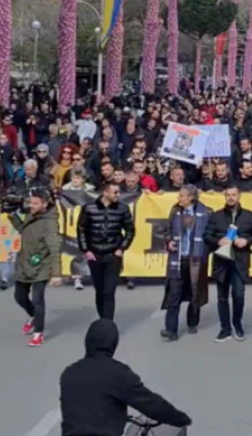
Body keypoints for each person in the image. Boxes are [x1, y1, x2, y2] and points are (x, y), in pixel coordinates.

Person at [60, 319, 191, 436]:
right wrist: (179, 418)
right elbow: (149, 402)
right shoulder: (117, 373)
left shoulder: (68, 373)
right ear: (113, 343)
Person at [205, 185, 252, 342]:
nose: (231, 197)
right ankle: (225, 329)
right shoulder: (216, 216)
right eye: (228, 194)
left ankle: (237, 324)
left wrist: (247, 241)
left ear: (239, 196)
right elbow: (207, 234)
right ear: (224, 196)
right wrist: (218, 240)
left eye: (234, 194)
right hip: (222, 262)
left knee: (238, 295)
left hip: (240, 260)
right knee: (222, 297)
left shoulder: (248, 216)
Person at [10, 188, 63, 347]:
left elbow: (54, 249)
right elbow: (23, 230)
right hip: (24, 263)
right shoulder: (30, 216)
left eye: (35, 203)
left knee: (37, 299)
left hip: (41, 265)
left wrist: (56, 274)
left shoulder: (50, 223)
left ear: (45, 204)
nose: (30, 205)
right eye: (30, 202)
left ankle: (38, 333)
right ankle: (34, 316)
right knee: (19, 296)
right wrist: (12, 215)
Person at [160, 185, 212, 340]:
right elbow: (166, 230)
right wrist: (169, 241)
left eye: (182, 195)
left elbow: (211, 235)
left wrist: (204, 251)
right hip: (178, 259)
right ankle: (171, 330)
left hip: (196, 259)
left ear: (191, 198)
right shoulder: (175, 211)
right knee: (174, 294)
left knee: (194, 292)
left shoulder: (206, 212)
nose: (179, 198)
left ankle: (192, 322)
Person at [77, 182, 135, 320]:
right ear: (105, 193)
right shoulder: (88, 208)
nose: (118, 195)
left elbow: (130, 230)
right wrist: (86, 250)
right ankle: (102, 318)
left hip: (113, 255)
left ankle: (107, 323)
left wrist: (121, 249)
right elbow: (81, 230)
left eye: (119, 192)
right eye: (115, 192)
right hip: (94, 255)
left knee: (109, 292)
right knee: (100, 291)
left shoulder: (123, 208)